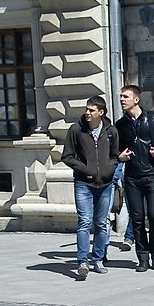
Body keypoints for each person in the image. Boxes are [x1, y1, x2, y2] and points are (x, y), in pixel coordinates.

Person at [115, 84, 154, 272]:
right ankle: (142, 257)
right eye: (121, 97)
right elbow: (115, 149)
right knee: (137, 219)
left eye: (125, 96)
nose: (122, 99)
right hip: (132, 177)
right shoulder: (121, 125)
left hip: (152, 176)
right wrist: (119, 157)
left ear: (136, 100)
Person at [61, 96, 119, 278]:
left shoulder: (111, 131)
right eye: (87, 109)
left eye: (92, 110)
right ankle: (82, 261)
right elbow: (67, 156)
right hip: (83, 183)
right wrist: (84, 169)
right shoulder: (76, 130)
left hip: (105, 184)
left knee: (102, 223)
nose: (87, 113)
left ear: (101, 113)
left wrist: (109, 169)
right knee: (85, 221)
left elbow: (115, 156)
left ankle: (99, 259)